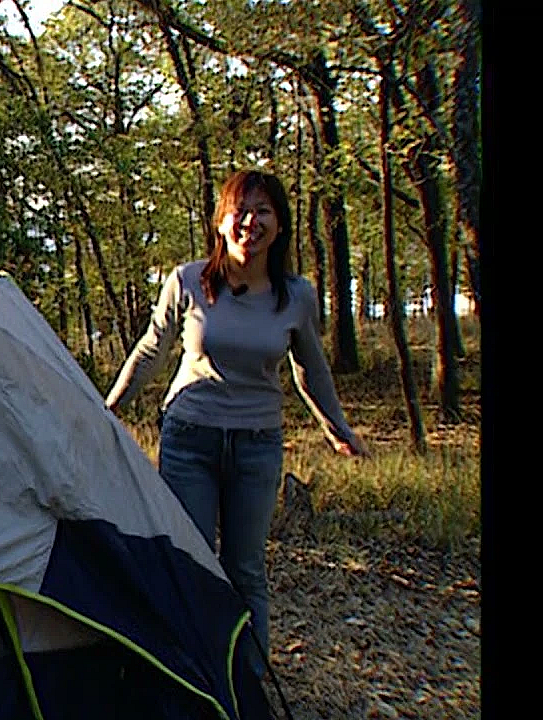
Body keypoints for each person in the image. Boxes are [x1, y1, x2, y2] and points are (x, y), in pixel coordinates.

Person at [104, 169, 367, 678]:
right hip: (190, 439)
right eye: (240, 211)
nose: (251, 221)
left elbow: (309, 367)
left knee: (245, 570)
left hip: (257, 445)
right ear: (221, 222)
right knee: (193, 562)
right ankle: (194, 677)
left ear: (280, 224)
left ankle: (249, 684)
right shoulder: (189, 281)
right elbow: (152, 348)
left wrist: (338, 427)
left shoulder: (296, 296)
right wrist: (109, 406)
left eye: (263, 211)